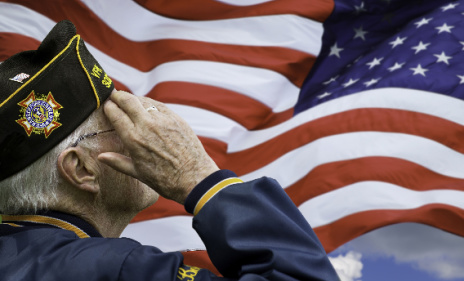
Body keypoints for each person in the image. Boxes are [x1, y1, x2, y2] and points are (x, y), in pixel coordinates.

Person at [0, 20, 339, 280]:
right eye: (120, 122)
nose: (149, 131)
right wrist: (197, 177)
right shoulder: (117, 269)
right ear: (81, 169)